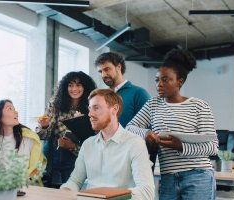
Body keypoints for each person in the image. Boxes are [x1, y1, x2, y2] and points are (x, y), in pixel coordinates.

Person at [126, 49, 218, 200]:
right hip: (168, 177)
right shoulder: (153, 104)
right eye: (157, 80)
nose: (159, 84)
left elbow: (212, 147)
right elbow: (130, 128)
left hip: (198, 175)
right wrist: (146, 133)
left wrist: (180, 146)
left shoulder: (199, 105)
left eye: (165, 79)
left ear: (179, 81)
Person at [60, 89, 155, 200]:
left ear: (114, 109)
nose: (90, 114)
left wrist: (110, 197)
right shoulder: (88, 144)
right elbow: (75, 181)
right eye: (90, 109)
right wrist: (65, 192)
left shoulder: (135, 143)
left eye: (96, 108)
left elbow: (146, 192)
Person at [36, 71, 97, 188]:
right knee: (48, 192)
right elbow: (43, 136)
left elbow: (92, 142)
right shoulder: (54, 104)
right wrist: (44, 126)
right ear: (65, 87)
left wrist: (72, 146)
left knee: (70, 192)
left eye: (78, 85)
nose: (74, 89)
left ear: (85, 87)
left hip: (75, 159)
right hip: (51, 156)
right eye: (70, 85)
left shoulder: (90, 108)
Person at [95, 52, 150, 128]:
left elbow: (149, 129)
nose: (103, 75)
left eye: (107, 69)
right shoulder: (102, 96)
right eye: (100, 71)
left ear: (118, 67)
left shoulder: (139, 93)